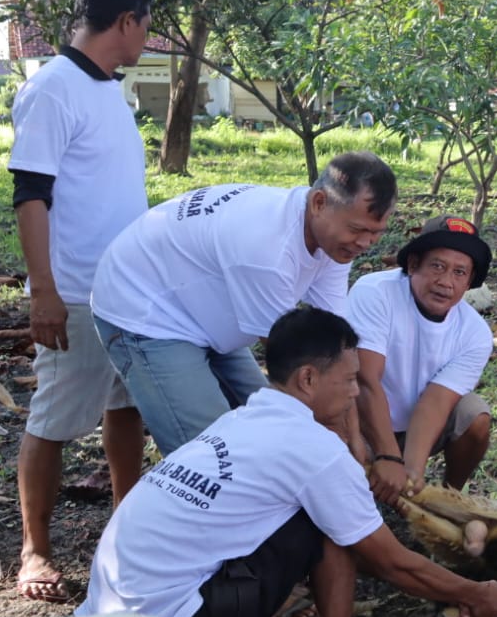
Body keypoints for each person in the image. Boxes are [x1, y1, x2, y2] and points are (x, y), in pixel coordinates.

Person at [77, 307, 497, 617]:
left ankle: (287, 606)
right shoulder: (314, 450)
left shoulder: (239, 420)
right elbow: (390, 563)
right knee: (336, 527)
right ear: (308, 379)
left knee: (323, 516)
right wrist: (475, 593)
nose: (354, 394)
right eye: (348, 381)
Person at [9, 0, 154, 603]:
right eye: (146, 25)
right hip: (74, 291)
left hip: (127, 289)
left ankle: (127, 519)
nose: (146, 36)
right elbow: (30, 194)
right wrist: (43, 291)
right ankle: (34, 549)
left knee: (126, 408)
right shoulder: (53, 88)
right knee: (55, 418)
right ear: (126, 21)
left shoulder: (109, 91)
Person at [90, 153, 396, 456]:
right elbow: (299, 366)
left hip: (210, 308)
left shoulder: (334, 240)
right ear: (319, 202)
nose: (365, 244)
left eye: (375, 234)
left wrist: (354, 437)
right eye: (357, 230)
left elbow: (335, 352)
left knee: (275, 426)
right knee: (215, 454)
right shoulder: (268, 252)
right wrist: (339, 442)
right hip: (146, 308)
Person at [347, 216, 495, 502]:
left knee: (474, 415)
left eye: (459, 272)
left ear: (469, 283)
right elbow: (365, 379)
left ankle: (449, 499)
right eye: (437, 266)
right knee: (354, 498)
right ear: (413, 264)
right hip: (358, 421)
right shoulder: (375, 293)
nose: (446, 282)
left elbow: (437, 401)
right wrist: (387, 455)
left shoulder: (475, 333)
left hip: (415, 427)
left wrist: (411, 472)